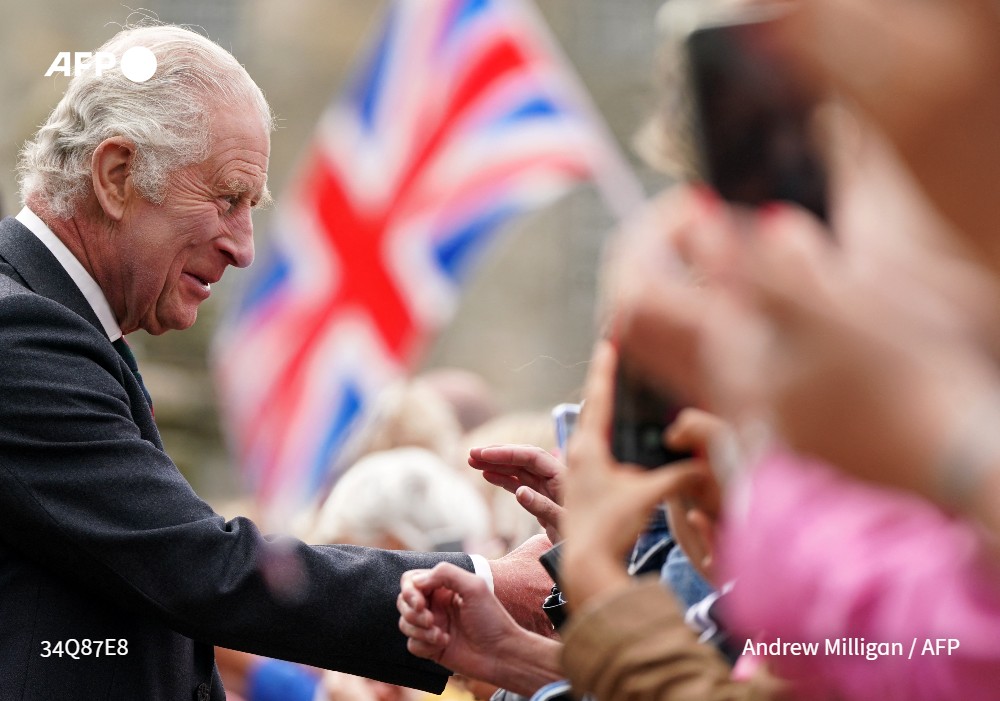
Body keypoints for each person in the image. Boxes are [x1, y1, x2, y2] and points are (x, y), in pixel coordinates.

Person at [0, 23, 552, 701]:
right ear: (116, 176)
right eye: (228, 199)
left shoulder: (57, 323)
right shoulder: (18, 333)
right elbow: (199, 567)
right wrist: (480, 587)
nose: (244, 246)